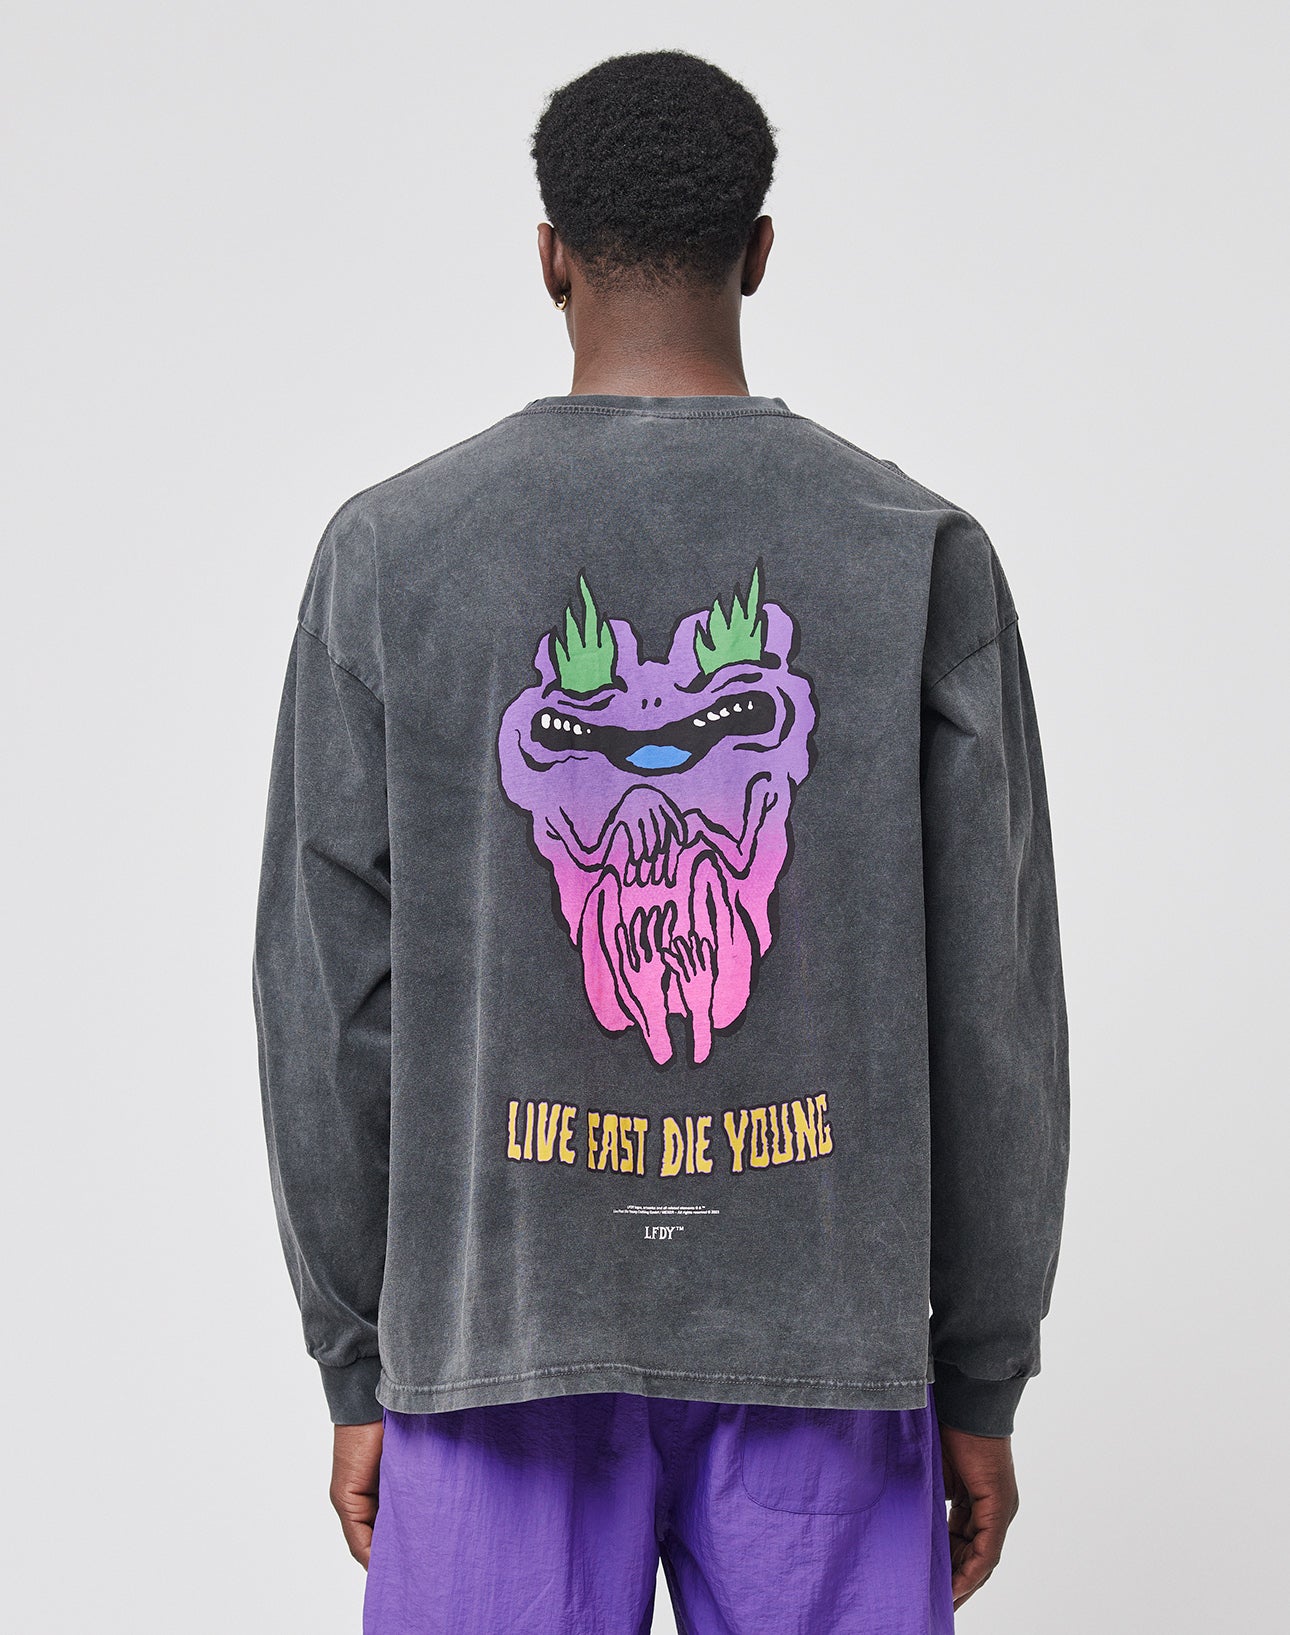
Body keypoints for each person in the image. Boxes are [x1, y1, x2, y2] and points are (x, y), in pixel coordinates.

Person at [251, 47, 1070, 1634]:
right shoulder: (914, 552)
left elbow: (323, 998)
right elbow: (996, 1014)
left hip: (494, 1347)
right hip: (825, 1349)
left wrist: (359, 1358)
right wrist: (980, 1373)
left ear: (548, 254)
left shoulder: (391, 553)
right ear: (757, 250)